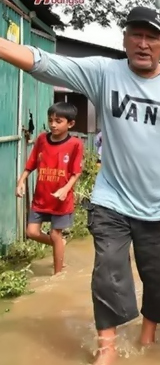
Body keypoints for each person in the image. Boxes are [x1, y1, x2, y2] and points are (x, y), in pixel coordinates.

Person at [0, 5, 160, 365]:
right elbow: (44, 62)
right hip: (111, 199)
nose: (143, 44)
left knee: (159, 279)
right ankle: (107, 347)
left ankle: (147, 336)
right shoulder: (104, 73)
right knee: (108, 271)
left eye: (152, 37)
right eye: (136, 35)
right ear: (125, 39)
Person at [15, 102, 84, 275]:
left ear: (70, 124)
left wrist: (65, 189)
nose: (53, 124)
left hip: (61, 200)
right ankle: (60, 244)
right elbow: (31, 163)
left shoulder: (75, 144)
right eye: (51, 120)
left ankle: (57, 274)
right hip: (41, 197)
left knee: (55, 233)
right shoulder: (41, 139)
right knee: (31, 232)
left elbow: (76, 172)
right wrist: (21, 181)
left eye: (58, 121)